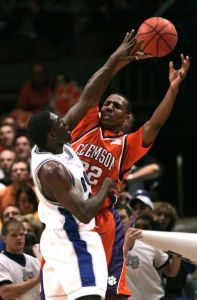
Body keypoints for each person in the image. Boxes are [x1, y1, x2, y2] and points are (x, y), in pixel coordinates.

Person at [27, 31, 141, 300]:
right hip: (73, 235)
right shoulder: (52, 169)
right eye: (61, 124)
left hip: (56, 236)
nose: (67, 122)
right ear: (52, 135)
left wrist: (114, 59)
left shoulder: (52, 142)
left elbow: (88, 98)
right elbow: (85, 212)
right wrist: (106, 188)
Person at [71, 50, 190, 299]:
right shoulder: (85, 125)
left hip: (101, 219)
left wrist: (173, 89)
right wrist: (115, 60)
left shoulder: (127, 146)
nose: (109, 107)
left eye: (117, 106)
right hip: (68, 213)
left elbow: (155, 124)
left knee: (111, 291)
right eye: (107, 103)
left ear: (126, 119)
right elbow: (93, 91)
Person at [123, 214, 181, 300]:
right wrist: (126, 246)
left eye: (122, 217)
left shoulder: (151, 244)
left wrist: (178, 251)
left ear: (131, 219)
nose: (141, 229)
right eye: (138, 226)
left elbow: (171, 272)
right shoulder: (105, 245)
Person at [0, 219, 40, 300]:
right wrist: (36, 280)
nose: (19, 238)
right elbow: (5, 293)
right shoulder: (1, 261)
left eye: (22, 234)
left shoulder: (34, 260)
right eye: (14, 235)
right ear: (4, 239)